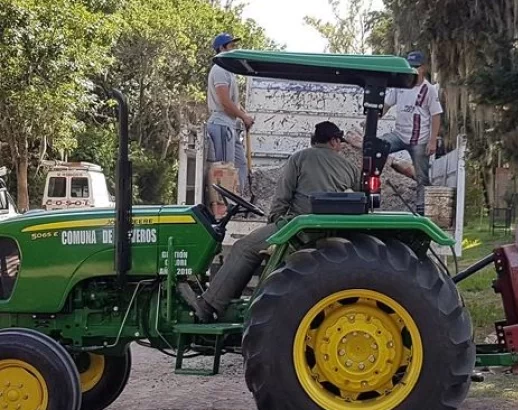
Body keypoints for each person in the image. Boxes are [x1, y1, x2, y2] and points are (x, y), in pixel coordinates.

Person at [179, 121, 359, 322]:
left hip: (298, 229)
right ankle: (228, 304)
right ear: (333, 140)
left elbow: (282, 198)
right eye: (340, 142)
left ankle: (209, 305)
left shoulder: (299, 158)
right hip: (328, 230)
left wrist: (273, 226)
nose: (341, 146)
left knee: (243, 248)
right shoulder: (350, 168)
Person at [380, 50, 443, 215]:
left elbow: (436, 115)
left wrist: (432, 140)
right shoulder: (400, 86)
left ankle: (422, 207)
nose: (412, 70)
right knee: (378, 147)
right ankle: (373, 188)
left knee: (422, 175)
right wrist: (374, 118)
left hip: (419, 140)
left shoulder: (429, 90)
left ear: (423, 68)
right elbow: (386, 104)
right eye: (410, 66)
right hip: (399, 134)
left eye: (416, 67)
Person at [207, 33, 255, 194]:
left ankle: (237, 200)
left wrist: (244, 115)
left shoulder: (229, 71)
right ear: (222, 48)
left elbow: (234, 103)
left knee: (240, 164)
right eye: (231, 45)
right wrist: (243, 117)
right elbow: (225, 102)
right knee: (225, 167)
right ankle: (224, 204)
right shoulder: (219, 70)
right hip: (220, 122)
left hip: (230, 124)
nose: (234, 48)